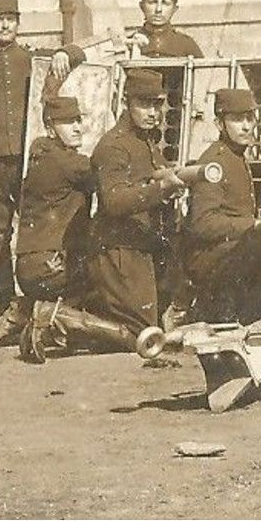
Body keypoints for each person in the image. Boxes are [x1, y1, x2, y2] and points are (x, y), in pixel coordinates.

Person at [0, 0, 81, 337]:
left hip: (30, 161)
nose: (5, 26)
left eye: (11, 20)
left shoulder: (31, 59)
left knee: (41, 225)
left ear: (19, 23)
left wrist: (66, 53)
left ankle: (44, 298)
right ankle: (5, 304)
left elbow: (81, 54)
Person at [9, 96, 139, 361]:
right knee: (117, 284)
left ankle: (22, 311)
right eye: (68, 122)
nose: (78, 127)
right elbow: (112, 182)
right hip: (54, 267)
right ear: (50, 128)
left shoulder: (40, 155)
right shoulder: (68, 162)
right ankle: (51, 316)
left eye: (79, 120)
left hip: (32, 267)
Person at [85, 68, 187, 335]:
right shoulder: (113, 146)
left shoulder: (146, 141)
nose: (152, 112)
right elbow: (114, 202)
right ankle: (53, 320)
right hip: (118, 248)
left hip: (143, 246)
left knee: (151, 326)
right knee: (140, 333)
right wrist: (160, 189)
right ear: (125, 103)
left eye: (157, 104)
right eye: (144, 104)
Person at [184, 89, 261, 324]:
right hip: (214, 260)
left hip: (232, 254)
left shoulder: (236, 156)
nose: (246, 126)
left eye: (249, 118)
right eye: (237, 119)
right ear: (219, 123)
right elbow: (203, 223)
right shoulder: (214, 161)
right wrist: (255, 225)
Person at [129, 0, 204, 58]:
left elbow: (202, 70)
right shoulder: (130, 42)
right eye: (153, 2)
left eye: (165, 3)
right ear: (142, 6)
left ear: (174, 9)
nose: (158, 9)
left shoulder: (186, 44)